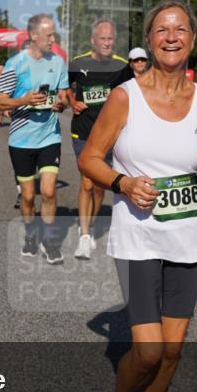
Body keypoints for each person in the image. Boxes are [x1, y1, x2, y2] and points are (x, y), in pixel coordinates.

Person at [79, 0, 197, 392]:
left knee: (172, 352)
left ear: (192, 39)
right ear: (149, 40)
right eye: (162, 29)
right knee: (147, 353)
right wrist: (123, 182)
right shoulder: (125, 95)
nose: (171, 37)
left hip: (191, 236)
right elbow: (90, 158)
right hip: (139, 234)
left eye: (181, 29)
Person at [0, 13, 70, 263]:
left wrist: (61, 104)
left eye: (54, 35)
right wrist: (25, 100)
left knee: (48, 191)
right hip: (21, 140)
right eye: (49, 35)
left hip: (49, 136)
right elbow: (1, 102)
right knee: (28, 196)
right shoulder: (15, 64)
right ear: (33, 36)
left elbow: (64, 97)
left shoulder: (58, 62)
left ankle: (50, 241)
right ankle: (31, 234)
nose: (53, 39)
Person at [68, 18, 131, 260]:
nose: (106, 42)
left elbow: (133, 96)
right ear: (93, 40)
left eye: (110, 39)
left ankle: (90, 225)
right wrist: (72, 102)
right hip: (83, 132)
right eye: (102, 38)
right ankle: (84, 236)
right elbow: (63, 89)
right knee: (87, 182)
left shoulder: (122, 67)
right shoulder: (78, 63)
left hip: (109, 135)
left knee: (98, 186)